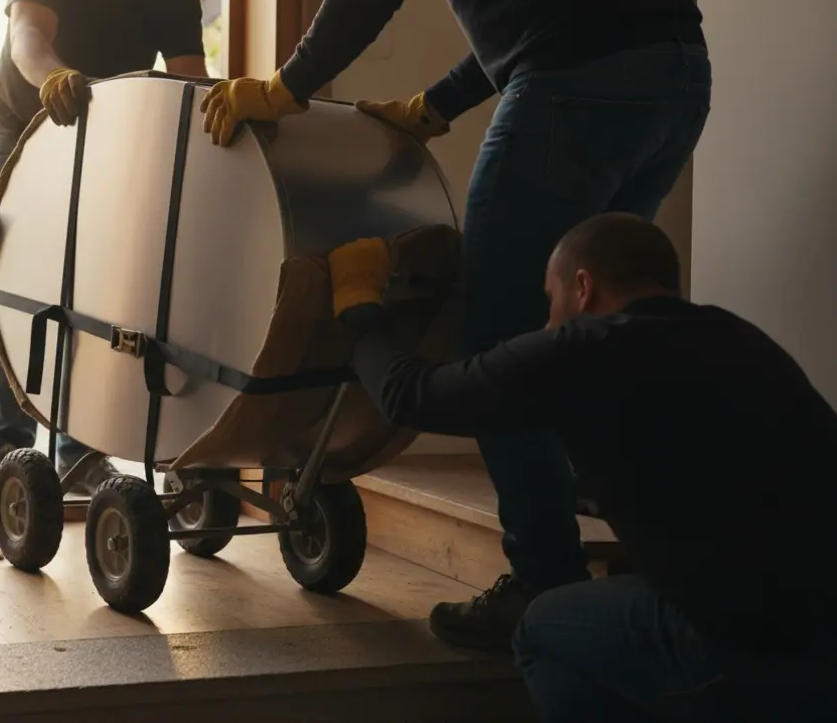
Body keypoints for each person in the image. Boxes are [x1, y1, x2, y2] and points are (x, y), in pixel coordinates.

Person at [198, 0, 713, 649]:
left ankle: (545, 578)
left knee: (498, 335)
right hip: (676, 72)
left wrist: (290, 86)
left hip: (577, 80)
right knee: (602, 318)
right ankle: (628, 514)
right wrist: (436, 105)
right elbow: (552, 2)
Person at [326, 213, 837, 722]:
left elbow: (414, 396)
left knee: (543, 627)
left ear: (583, 288)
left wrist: (360, 317)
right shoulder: (738, 337)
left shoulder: (584, 349)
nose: (549, 321)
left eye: (552, 301)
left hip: (752, 653)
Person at [0, 0, 209, 500]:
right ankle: (5, 449)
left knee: (96, 290)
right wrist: (55, 76)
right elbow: (27, 38)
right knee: (21, 285)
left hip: (111, 130)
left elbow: (190, 80)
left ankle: (80, 454)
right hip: (26, 119)